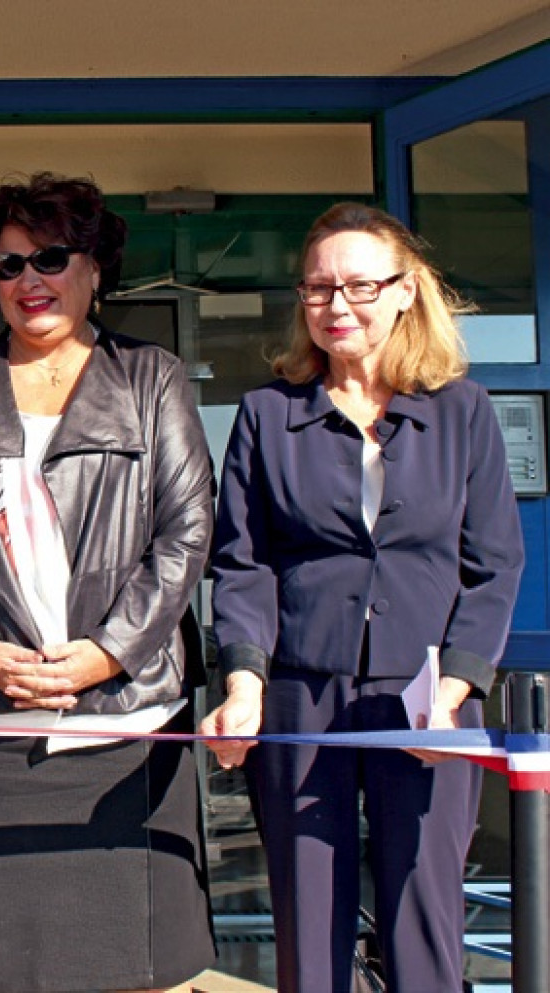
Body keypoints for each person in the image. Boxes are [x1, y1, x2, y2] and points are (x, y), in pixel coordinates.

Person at [0, 172, 217, 993]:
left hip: (128, 723)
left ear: (94, 268)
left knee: (136, 967)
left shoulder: (152, 377)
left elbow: (186, 531)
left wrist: (110, 652)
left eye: (50, 257)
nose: (29, 281)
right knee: (14, 967)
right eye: (8, 266)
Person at [202, 202, 524, 992]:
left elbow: (495, 567)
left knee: (424, 912)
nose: (336, 306)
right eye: (317, 288)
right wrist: (244, 682)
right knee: (310, 921)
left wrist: (453, 689)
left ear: (407, 291)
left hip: (430, 701)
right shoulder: (267, 417)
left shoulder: (464, 412)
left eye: (358, 286)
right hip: (302, 698)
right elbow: (243, 564)